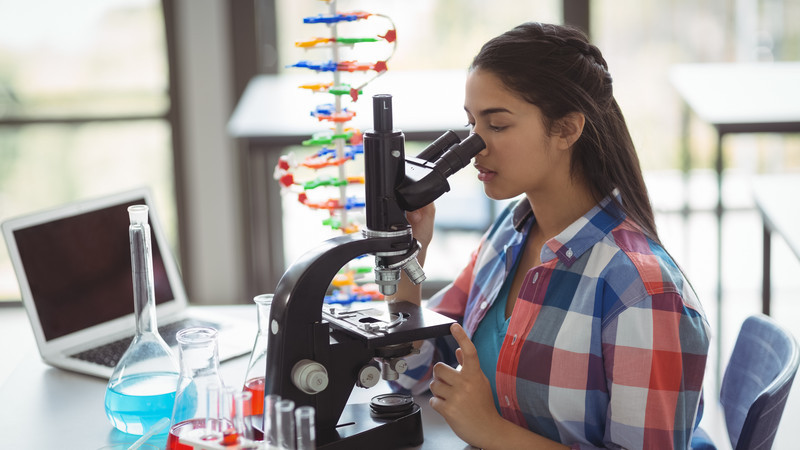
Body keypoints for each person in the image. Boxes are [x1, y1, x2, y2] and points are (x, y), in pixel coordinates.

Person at [387, 22, 711, 449]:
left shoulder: (643, 295)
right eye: (471, 125)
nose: (474, 147)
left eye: (497, 126)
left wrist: (490, 430)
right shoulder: (511, 233)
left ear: (566, 130)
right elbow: (415, 374)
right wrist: (411, 252)